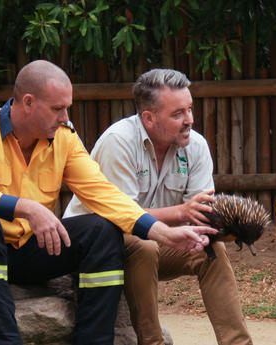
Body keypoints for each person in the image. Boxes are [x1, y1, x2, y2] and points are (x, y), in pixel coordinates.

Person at [0, 60, 217, 345]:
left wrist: (163, 233)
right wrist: (27, 207)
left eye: (67, 108)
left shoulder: (64, 138)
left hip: (23, 251)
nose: (66, 117)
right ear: (28, 102)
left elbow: (104, 195)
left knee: (102, 230)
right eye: (58, 108)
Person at [63, 68, 252, 345]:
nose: (189, 120)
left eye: (189, 109)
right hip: (101, 247)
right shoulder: (119, 142)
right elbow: (120, 217)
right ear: (148, 118)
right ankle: (152, 342)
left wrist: (225, 228)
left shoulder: (196, 146)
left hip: (159, 241)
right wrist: (181, 213)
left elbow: (198, 215)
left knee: (212, 250)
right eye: (178, 114)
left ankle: (238, 343)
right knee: (144, 246)